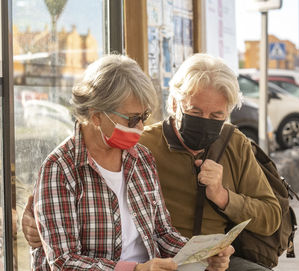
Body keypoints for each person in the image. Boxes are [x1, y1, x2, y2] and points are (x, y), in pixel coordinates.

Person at [23, 54, 280, 270]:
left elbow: (163, 232)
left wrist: (206, 252)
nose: (140, 126)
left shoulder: (140, 157)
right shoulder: (63, 167)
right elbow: (62, 260)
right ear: (97, 115)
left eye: (144, 116)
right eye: (132, 118)